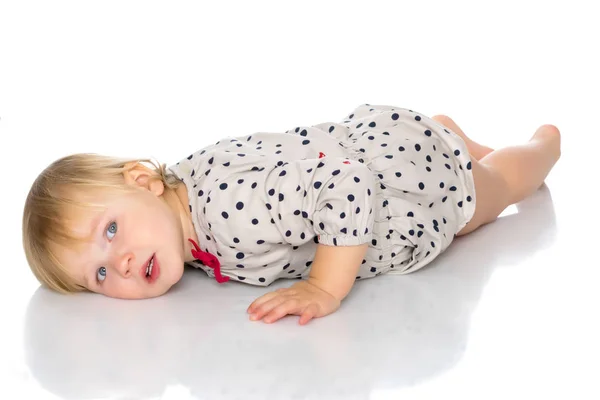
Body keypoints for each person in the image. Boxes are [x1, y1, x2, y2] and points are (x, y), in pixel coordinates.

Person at [21, 104, 561, 325]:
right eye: (97, 274)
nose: (120, 263)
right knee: (441, 144)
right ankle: (445, 132)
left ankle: (540, 149)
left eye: (110, 231)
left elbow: (347, 183)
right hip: (379, 141)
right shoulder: (179, 197)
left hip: (400, 192)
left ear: (142, 180)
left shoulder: (230, 211)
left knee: (487, 194)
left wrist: (326, 288)